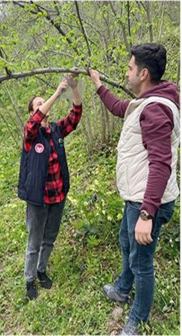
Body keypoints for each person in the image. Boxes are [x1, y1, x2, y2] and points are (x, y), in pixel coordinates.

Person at [88, 43, 179, 335]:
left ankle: (136, 320)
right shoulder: (146, 102)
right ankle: (121, 289)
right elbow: (119, 108)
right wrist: (98, 85)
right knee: (127, 245)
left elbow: (161, 164)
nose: (126, 73)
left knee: (141, 262)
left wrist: (147, 214)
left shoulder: (154, 110)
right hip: (136, 199)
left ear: (142, 73)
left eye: (129, 68)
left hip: (147, 202)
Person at [18, 74, 82, 300]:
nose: (43, 107)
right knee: (34, 242)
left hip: (58, 197)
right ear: (32, 112)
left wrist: (73, 88)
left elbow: (75, 117)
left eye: (43, 103)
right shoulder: (30, 134)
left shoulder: (55, 131)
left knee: (49, 238)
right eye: (38, 104)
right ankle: (29, 280)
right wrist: (56, 93)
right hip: (38, 200)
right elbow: (35, 120)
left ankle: (41, 270)